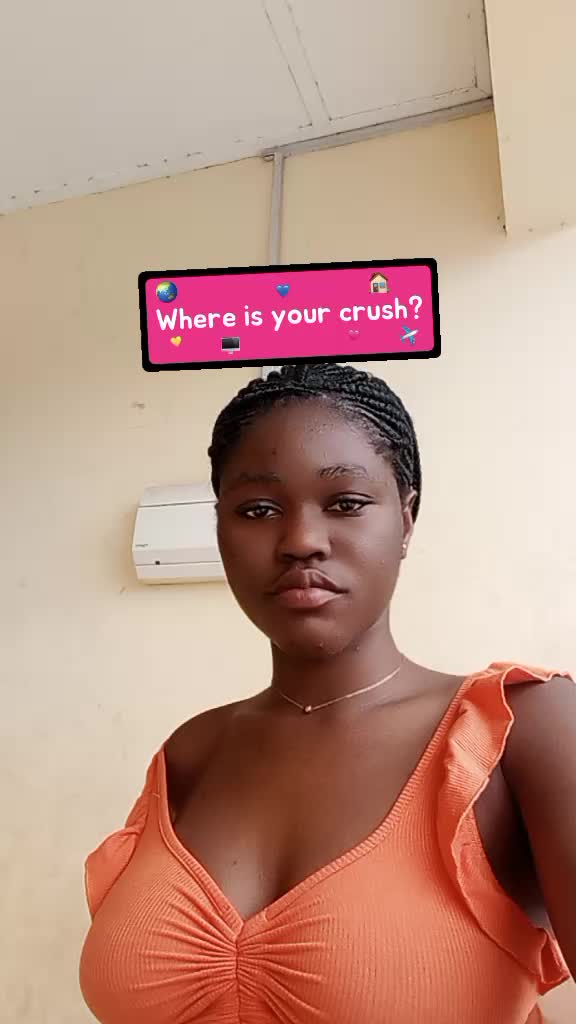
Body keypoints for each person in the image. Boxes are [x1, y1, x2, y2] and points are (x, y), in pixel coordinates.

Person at [79, 363, 576, 1024]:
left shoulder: (519, 729)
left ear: (406, 519)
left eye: (346, 502)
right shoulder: (191, 753)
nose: (301, 542)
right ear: (221, 531)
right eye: (258, 510)